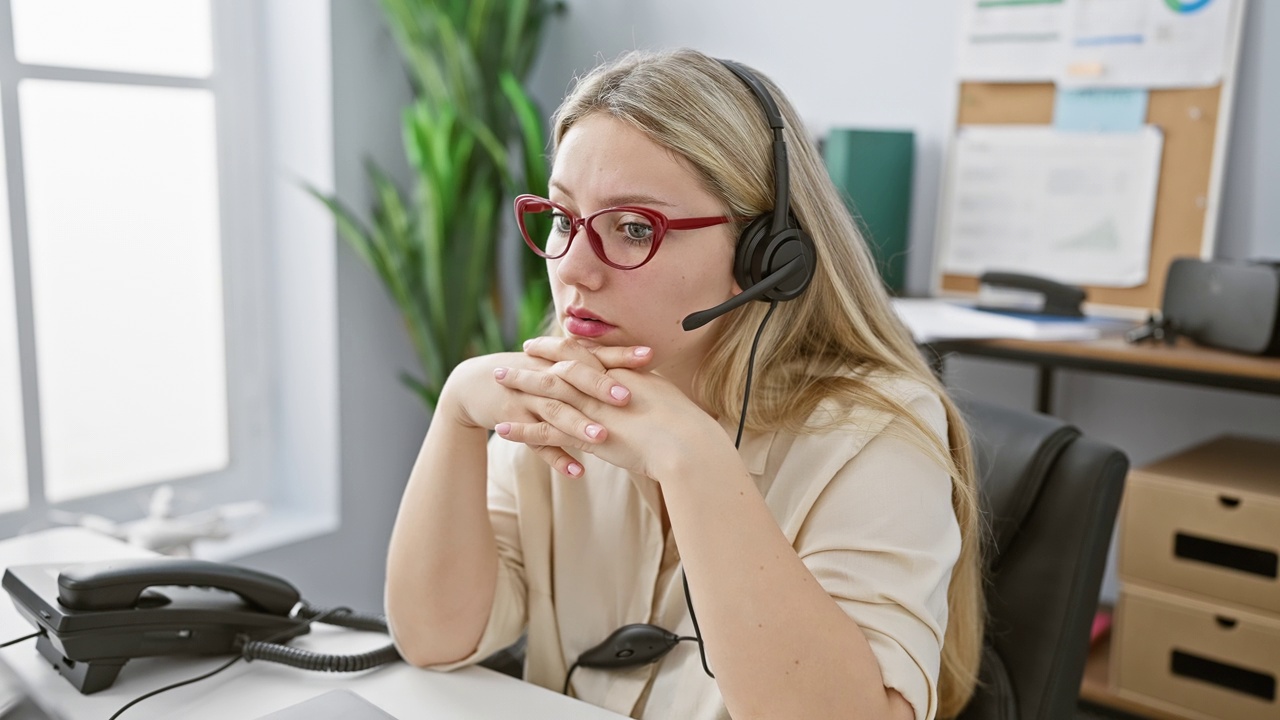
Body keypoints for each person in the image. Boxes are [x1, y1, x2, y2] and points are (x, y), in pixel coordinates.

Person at [385, 48, 983, 720]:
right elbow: (435, 641)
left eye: (635, 227)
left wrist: (695, 463)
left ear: (765, 257)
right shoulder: (560, 399)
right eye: (563, 218)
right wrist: (457, 414)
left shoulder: (875, 434)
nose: (574, 268)